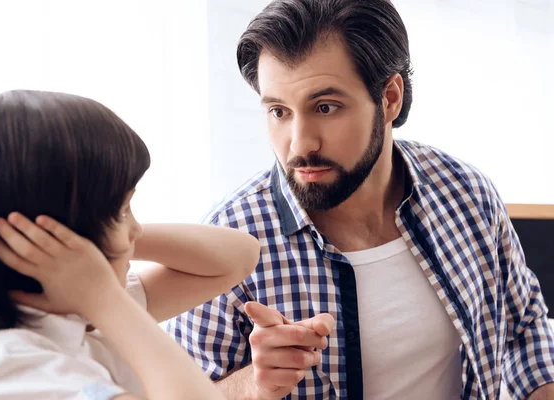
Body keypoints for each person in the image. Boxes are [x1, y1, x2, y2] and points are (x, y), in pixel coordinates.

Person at [166, 0, 554, 399]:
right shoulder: (226, 243)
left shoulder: (466, 195)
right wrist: (254, 385)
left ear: (389, 98)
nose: (300, 144)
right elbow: (171, 392)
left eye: (326, 107)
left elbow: (523, 327)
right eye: (279, 112)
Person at [0, 90, 261, 399]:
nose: (135, 228)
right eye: (122, 211)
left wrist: (107, 246)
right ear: (63, 228)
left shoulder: (72, 305)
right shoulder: (4, 372)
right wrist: (103, 294)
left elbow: (239, 255)